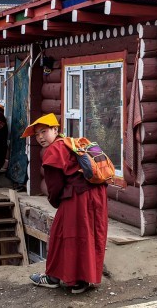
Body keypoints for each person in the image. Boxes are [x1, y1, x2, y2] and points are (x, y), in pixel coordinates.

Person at [22, 113, 108, 294]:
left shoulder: (54, 150)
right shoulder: (71, 143)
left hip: (78, 197)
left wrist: (55, 201)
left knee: (64, 236)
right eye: (37, 135)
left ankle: (58, 278)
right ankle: (83, 280)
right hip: (97, 194)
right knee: (89, 234)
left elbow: (55, 186)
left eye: (44, 132)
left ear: (55, 130)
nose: (40, 137)